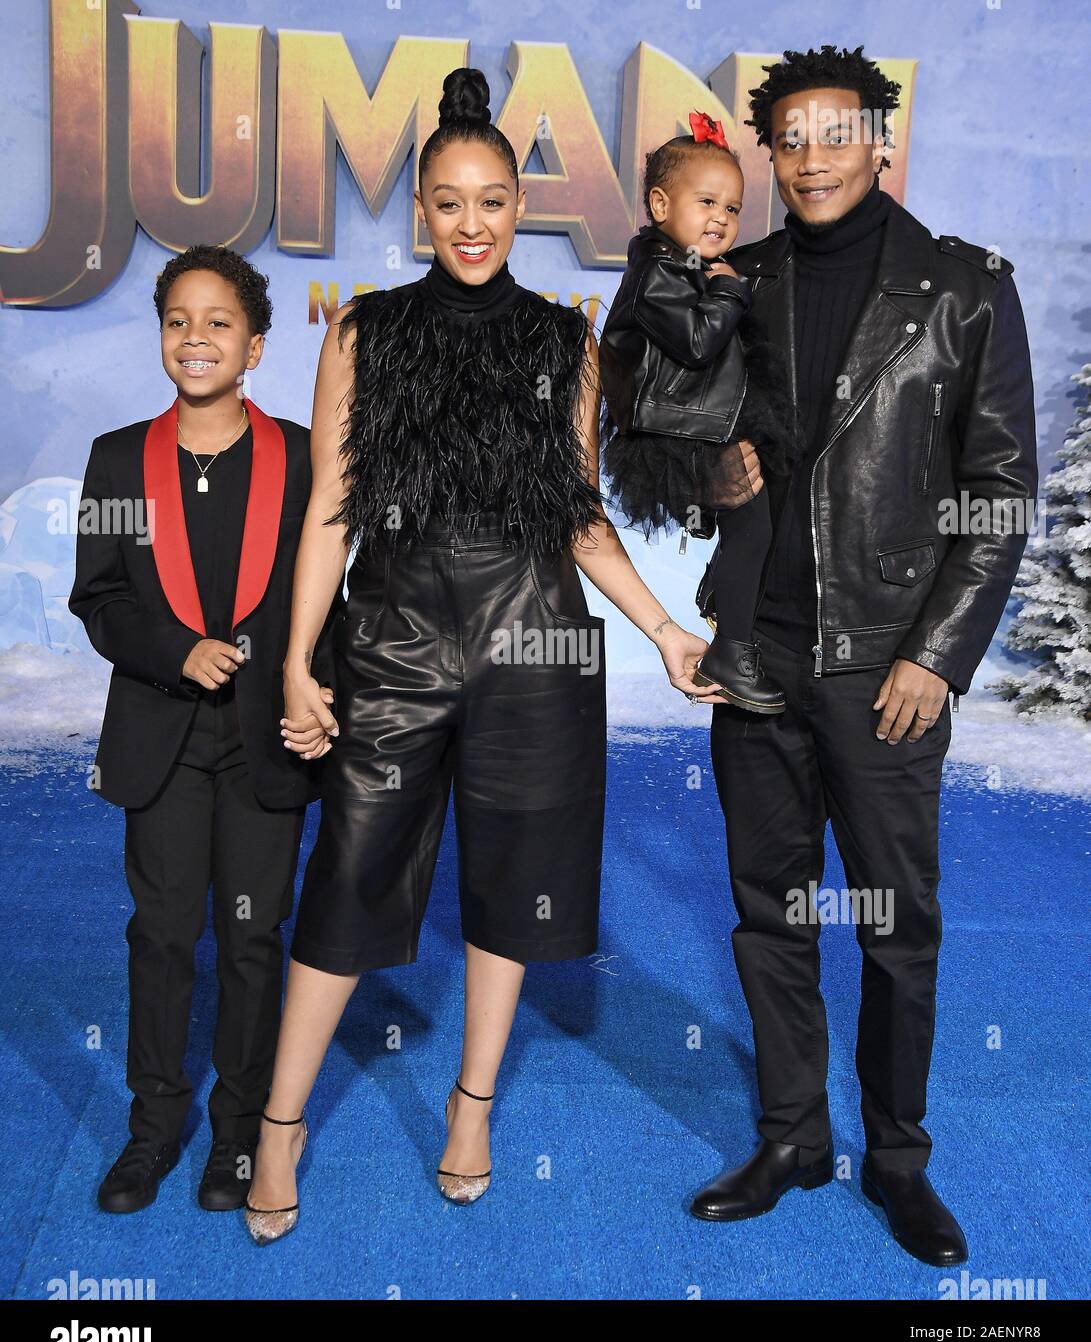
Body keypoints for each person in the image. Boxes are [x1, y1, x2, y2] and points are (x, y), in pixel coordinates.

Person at [241, 66, 718, 1244]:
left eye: (492, 200)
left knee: (516, 882)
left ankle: (470, 1107)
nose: (470, 223)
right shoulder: (363, 331)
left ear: (520, 206)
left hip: (533, 646)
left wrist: (660, 627)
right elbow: (330, 514)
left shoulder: (567, 340)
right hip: (391, 638)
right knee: (346, 880)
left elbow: (579, 511)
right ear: (419, 210)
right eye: (448, 201)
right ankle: (278, 1126)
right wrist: (300, 660)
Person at [689, 46, 1037, 1267]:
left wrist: (936, 657)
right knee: (768, 913)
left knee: (895, 925)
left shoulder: (963, 289)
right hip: (759, 659)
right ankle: (791, 1136)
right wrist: (705, 473)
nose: (812, 154)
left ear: (880, 143)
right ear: (769, 156)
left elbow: (999, 493)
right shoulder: (735, 283)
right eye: (789, 137)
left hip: (887, 667)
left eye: (835, 132)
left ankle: (896, 1160)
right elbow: (689, 444)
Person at [69, 245, 343, 1215]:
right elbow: (97, 595)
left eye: (218, 321)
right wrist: (170, 650)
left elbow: (333, 607)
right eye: (177, 320)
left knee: (253, 938)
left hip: (265, 738)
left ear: (256, 345)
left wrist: (322, 699)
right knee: (162, 933)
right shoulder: (114, 458)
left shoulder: (306, 456)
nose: (196, 337)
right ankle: (153, 1130)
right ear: (159, 339)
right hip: (163, 739)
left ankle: (238, 1133)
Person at [599, 110, 796, 711]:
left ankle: (731, 627)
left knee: (756, 526)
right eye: (706, 201)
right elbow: (697, 342)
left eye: (733, 208)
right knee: (752, 526)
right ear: (661, 205)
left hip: (698, 420)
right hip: (678, 431)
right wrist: (733, 290)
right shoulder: (659, 269)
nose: (721, 218)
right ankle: (732, 646)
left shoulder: (684, 267)